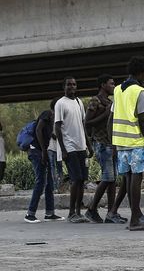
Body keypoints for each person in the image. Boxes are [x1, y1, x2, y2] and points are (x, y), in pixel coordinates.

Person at [108, 56, 144, 231]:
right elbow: (142, 121)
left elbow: (112, 117)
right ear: (140, 72)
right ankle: (135, 220)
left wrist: (113, 143)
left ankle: (136, 215)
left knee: (128, 178)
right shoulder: (140, 91)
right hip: (136, 140)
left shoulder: (117, 90)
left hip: (121, 142)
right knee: (136, 178)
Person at [84, 74, 128, 224]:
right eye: (111, 83)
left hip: (111, 143)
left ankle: (111, 212)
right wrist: (105, 114)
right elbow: (87, 122)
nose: (114, 86)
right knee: (108, 177)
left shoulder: (110, 102)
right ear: (103, 85)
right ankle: (91, 209)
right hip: (101, 143)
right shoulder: (95, 101)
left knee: (112, 180)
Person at [55, 77, 94, 223]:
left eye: (74, 84)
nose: (71, 86)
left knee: (82, 179)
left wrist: (88, 145)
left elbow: (83, 125)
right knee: (75, 179)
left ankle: (78, 211)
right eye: (68, 84)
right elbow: (57, 127)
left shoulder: (79, 102)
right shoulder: (60, 103)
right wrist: (63, 149)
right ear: (64, 86)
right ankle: (71, 212)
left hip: (81, 147)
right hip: (69, 147)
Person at [24, 99, 65, 223]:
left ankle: (49, 213)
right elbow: (38, 130)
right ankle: (30, 214)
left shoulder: (53, 119)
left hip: (42, 151)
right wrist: (43, 151)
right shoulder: (47, 114)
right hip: (37, 151)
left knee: (49, 183)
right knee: (41, 181)